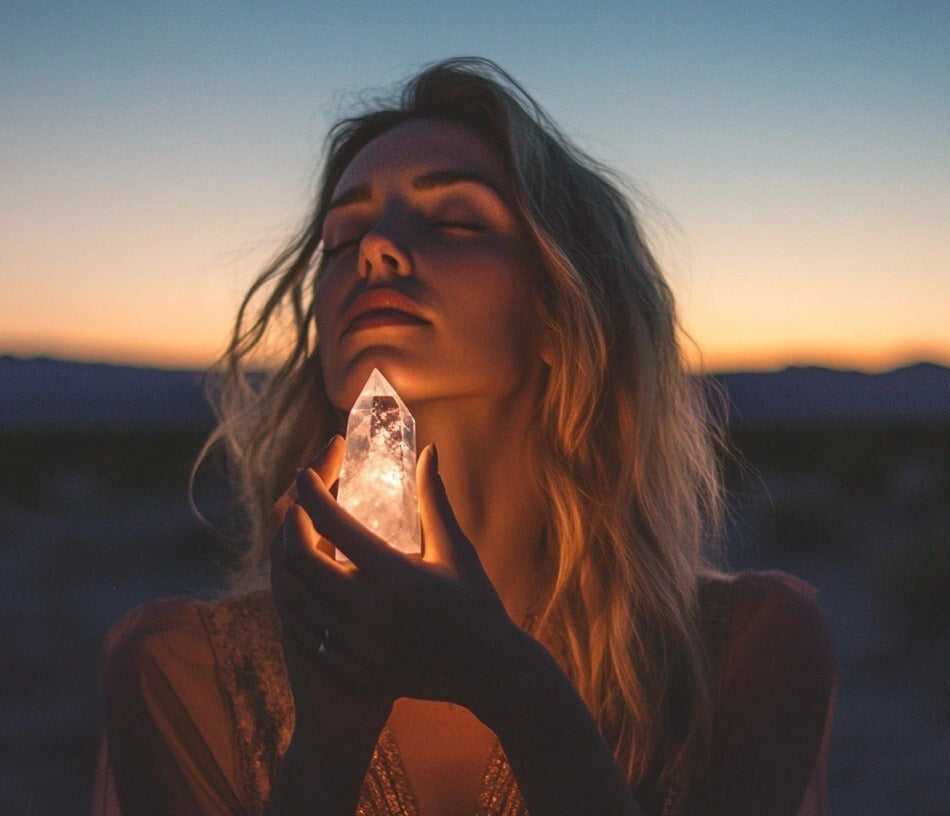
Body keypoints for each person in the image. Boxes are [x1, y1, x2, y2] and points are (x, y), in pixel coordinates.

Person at [91, 57, 836, 816]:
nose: (376, 250)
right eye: (344, 236)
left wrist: (516, 689)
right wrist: (330, 740)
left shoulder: (742, 654)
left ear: (559, 310)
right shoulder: (188, 676)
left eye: (454, 220)